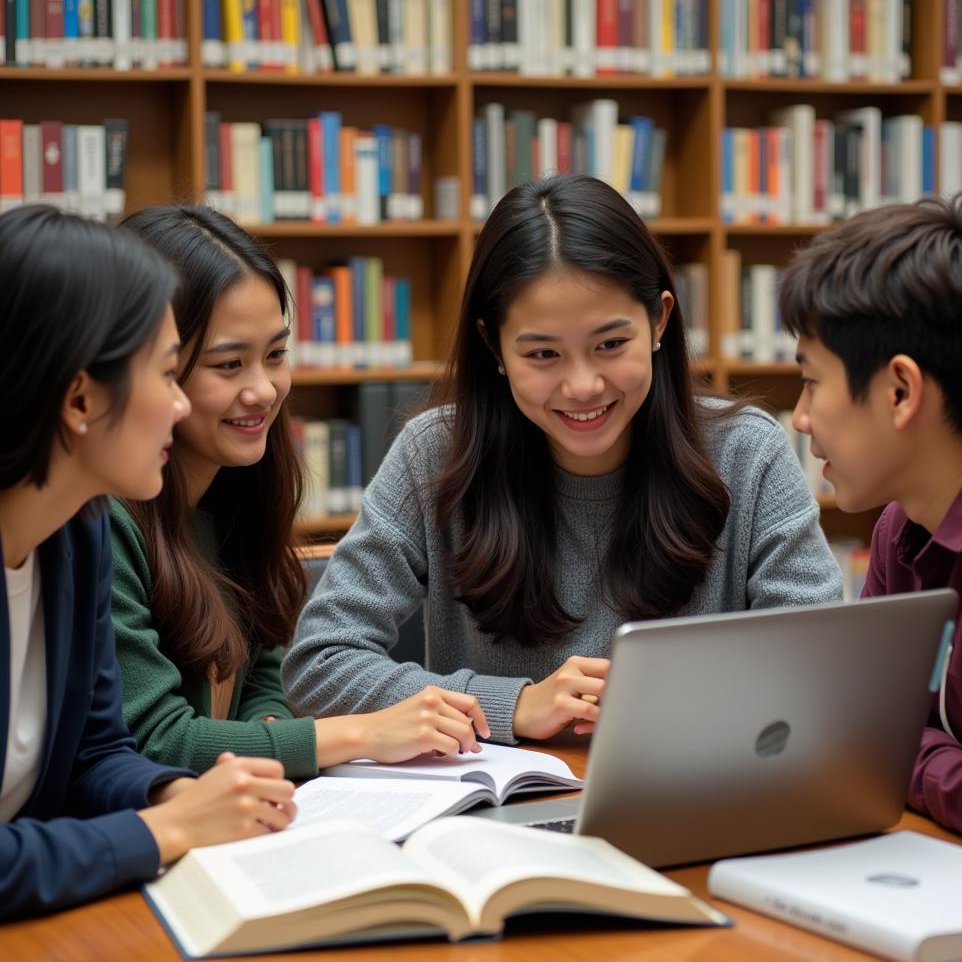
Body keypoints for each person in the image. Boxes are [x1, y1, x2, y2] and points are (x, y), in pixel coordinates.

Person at [283, 174, 843, 745]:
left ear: (659, 321)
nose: (582, 385)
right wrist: (511, 704)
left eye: (610, 345)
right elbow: (322, 661)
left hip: (696, 797)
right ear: (493, 346)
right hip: (504, 815)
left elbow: (822, 665)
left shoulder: (748, 453)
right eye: (543, 353)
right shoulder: (434, 456)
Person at [111, 205, 488, 780]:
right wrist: (361, 732)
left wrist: (268, 739)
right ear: (152, 365)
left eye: (277, 355)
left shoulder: (234, 494)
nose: (263, 389)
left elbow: (267, 673)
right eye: (229, 364)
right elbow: (153, 741)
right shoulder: (106, 520)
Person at [0, 206, 296, 920]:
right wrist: (163, 827)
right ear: (79, 398)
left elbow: (98, 754)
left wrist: (176, 795)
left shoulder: (79, 534)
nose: (177, 406)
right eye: (170, 376)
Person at [779, 192, 962, 854]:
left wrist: (904, 752)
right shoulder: (901, 524)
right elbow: (866, 730)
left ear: (900, 391)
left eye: (810, 382)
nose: (801, 419)